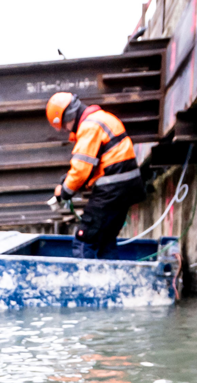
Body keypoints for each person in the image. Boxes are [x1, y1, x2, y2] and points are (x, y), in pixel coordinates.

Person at [44, 92, 147, 260]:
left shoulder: (90, 126)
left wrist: (63, 192)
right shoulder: (103, 118)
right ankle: (109, 284)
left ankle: (86, 285)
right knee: (105, 241)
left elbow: (81, 170)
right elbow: (98, 163)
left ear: (69, 115)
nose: (65, 129)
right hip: (124, 188)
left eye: (64, 125)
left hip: (111, 190)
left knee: (84, 239)